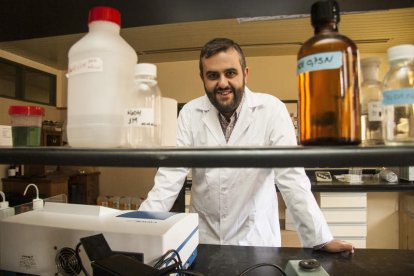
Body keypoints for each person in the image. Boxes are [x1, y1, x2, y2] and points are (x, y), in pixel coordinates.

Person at [139, 38, 354, 253]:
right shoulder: (189, 113)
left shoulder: (271, 110)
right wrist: (138, 228)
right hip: (204, 238)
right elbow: (169, 177)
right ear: (202, 78)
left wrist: (320, 239)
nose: (222, 83)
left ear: (245, 73)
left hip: (256, 238)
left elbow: (292, 178)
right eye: (213, 75)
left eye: (230, 73)